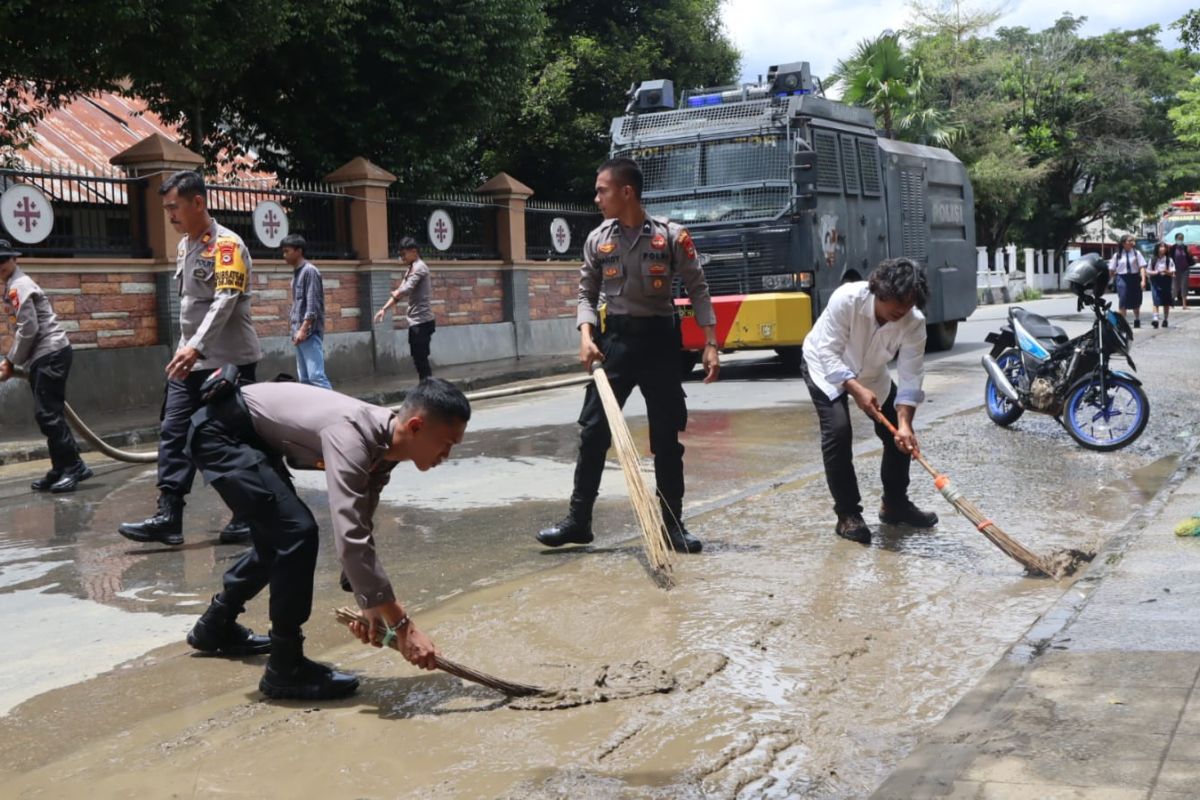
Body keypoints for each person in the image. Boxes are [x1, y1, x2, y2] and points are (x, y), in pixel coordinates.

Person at [185, 375, 469, 700]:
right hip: (220, 432)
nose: (447, 454)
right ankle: (285, 667)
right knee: (294, 532)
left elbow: (361, 521)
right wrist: (405, 627)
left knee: (280, 535)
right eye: (447, 442)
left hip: (248, 437)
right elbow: (350, 537)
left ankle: (216, 626)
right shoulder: (354, 437)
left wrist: (369, 605)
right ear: (416, 427)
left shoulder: (384, 448)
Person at [536, 157, 720, 554]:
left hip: (660, 343)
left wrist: (710, 342)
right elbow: (586, 293)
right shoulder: (598, 239)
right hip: (615, 342)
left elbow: (697, 287)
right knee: (593, 432)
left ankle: (672, 526)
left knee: (666, 439)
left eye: (602, 190)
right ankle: (578, 522)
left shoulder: (671, 237)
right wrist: (586, 336)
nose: (597, 197)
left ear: (626, 192)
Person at [118, 170, 262, 547]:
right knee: (173, 432)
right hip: (189, 363)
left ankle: (247, 515)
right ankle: (169, 516)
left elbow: (224, 302)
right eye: (165, 209)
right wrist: (187, 350)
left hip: (227, 361)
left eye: (174, 207)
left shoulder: (227, 246)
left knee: (224, 439)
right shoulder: (185, 246)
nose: (170, 216)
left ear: (198, 202)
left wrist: (196, 346)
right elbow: (189, 309)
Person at [800, 257, 938, 545]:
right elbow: (827, 352)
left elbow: (911, 375)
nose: (901, 311)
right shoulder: (847, 299)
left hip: (873, 376)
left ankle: (894, 505)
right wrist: (854, 388)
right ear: (880, 291)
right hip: (825, 368)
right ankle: (848, 515)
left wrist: (904, 424)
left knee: (899, 438)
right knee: (838, 432)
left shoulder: (913, 323)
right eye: (897, 303)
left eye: (909, 305)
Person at [0, 240, 92, 492]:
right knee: (47, 413)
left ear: (13, 259)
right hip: (44, 356)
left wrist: (10, 361)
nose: (0, 266)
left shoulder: (18, 286)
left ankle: (74, 467)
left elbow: (29, 329)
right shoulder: (14, 285)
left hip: (50, 353)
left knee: (48, 414)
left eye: (3, 260)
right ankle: (60, 468)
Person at [373, 236, 435, 381]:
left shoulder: (420, 267)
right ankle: (425, 390)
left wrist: (398, 292)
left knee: (421, 361)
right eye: (400, 255)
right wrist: (384, 309)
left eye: (403, 254)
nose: (402, 258)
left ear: (414, 251)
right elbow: (401, 290)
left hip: (422, 322)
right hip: (415, 322)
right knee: (418, 360)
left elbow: (407, 288)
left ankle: (428, 392)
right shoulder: (411, 269)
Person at [283, 234, 332, 388]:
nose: (284, 255)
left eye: (287, 251)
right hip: (299, 334)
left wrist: (303, 330)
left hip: (309, 334)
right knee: (305, 379)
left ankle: (334, 409)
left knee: (316, 377)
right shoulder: (297, 273)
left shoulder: (309, 271)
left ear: (299, 251)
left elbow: (312, 306)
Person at [1108, 235, 1146, 328]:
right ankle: (1123, 322)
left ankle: (1137, 318)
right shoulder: (1117, 255)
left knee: (1136, 300)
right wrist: (1108, 281)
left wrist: (1143, 280)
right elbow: (1111, 270)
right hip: (1122, 278)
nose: (1132, 242)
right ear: (1124, 243)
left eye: (1133, 240)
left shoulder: (1137, 253)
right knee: (1123, 300)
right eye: (1130, 241)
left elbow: (1142, 267)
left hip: (1134, 278)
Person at [1146, 241, 1175, 329]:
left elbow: (1173, 273)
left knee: (1166, 302)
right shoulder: (1153, 259)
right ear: (1157, 248)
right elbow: (1148, 270)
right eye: (1161, 247)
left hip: (1166, 281)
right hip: (1156, 281)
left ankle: (1165, 319)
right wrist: (1155, 272)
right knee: (1156, 301)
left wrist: (1167, 272)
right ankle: (1155, 319)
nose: (1163, 249)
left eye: (1164, 247)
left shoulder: (1169, 260)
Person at [1169, 232, 1192, 310]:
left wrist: (1190, 253)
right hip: (1175, 270)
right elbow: (1170, 260)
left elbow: (1190, 259)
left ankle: (1184, 305)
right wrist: (1171, 270)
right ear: (1176, 239)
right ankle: (1171, 303)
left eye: (1182, 239)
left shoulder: (1185, 248)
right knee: (1174, 287)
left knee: (1184, 286)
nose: (1180, 240)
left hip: (1185, 270)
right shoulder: (1172, 248)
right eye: (1179, 239)